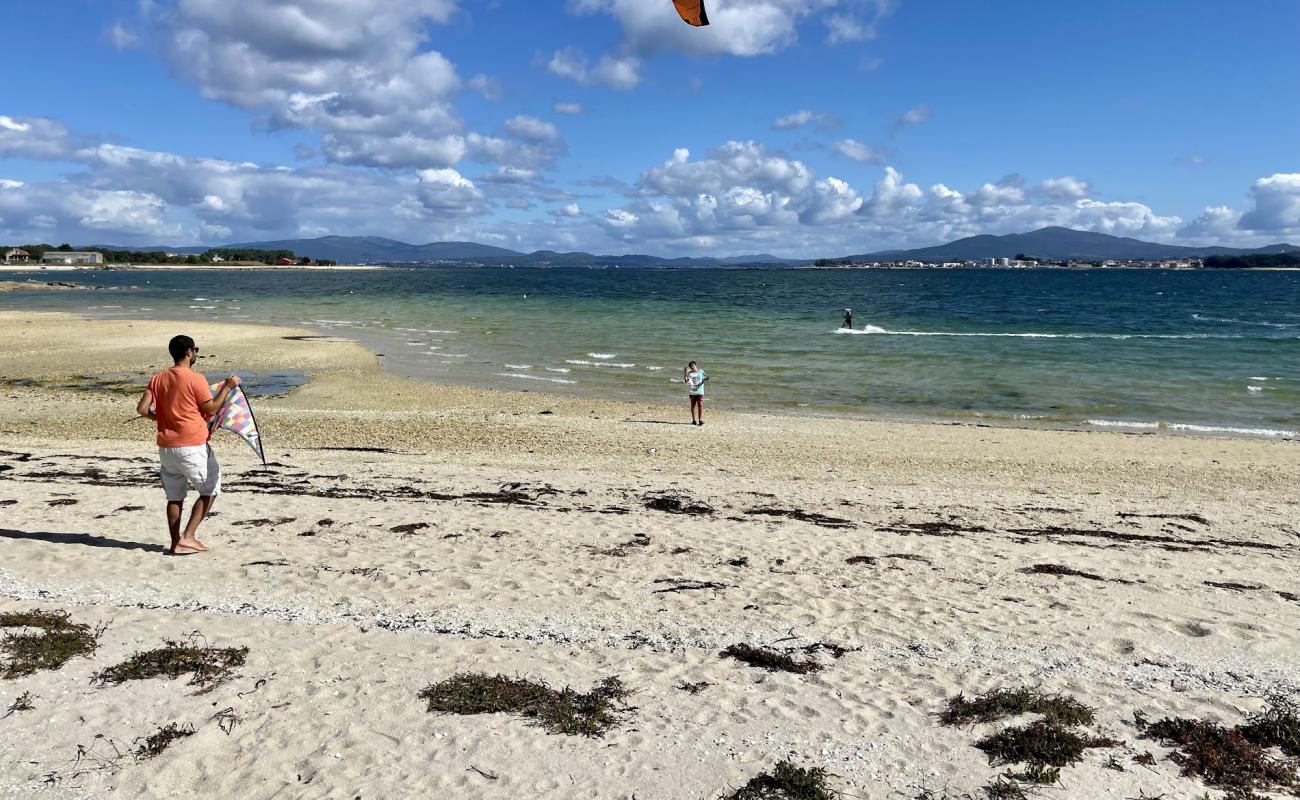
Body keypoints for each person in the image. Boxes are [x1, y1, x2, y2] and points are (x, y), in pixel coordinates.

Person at [135, 335, 241, 555]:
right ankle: (188, 537)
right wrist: (227, 387)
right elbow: (211, 408)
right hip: (191, 445)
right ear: (189, 352)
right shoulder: (195, 378)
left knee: (175, 497)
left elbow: (142, 409)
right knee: (210, 488)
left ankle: (175, 543)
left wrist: (162, 419)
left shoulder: (158, 378)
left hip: (166, 447)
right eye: (196, 350)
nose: (196, 354)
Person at [683, 361, 707, 426]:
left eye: (693, 366)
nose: (692, 367)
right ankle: (693, 420)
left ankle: (700, 420)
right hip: (692, 392)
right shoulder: (690, 374)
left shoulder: (701, 371)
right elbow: (686, 381)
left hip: (700, 391)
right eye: (691, 367)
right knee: (693, 406)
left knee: (700, 405)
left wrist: (706, 378)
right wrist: (685, 373)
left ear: (696, 365)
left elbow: (705, 377)